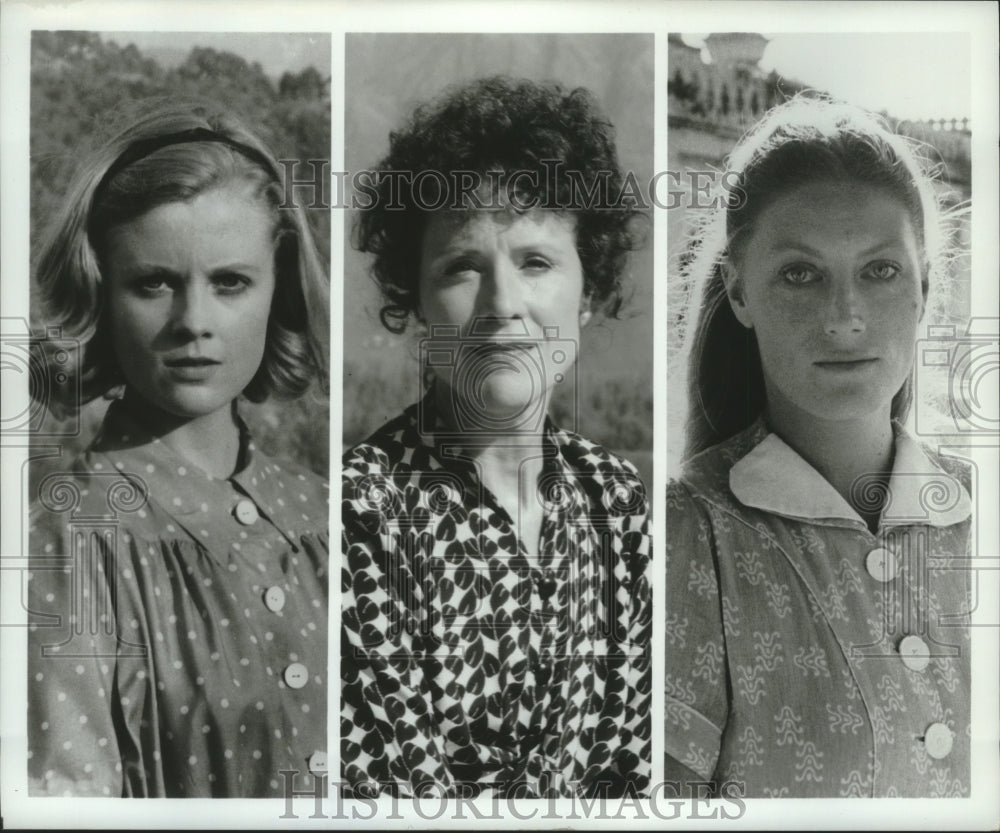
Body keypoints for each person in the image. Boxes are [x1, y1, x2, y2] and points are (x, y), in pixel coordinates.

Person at [341, 76, 651, 798]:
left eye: (536, 262)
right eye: (460, 267)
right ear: (414, 301)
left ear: (590, 291)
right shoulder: (367, 511)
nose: (502, 304)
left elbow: (629, 774)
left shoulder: (617, 500)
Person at [665, 95, 972, 797]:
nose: (845, 318)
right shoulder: (691, 535)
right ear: (740, 292)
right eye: (801, 273)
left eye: (880, 270)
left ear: (925, 286)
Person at [27, 99, 330, 797]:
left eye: (230, 282)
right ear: (101, 294)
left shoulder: (327, 513)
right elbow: (66, 796)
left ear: (276, 289)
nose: (194, 321)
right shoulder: (64, 535)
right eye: (153, 283)